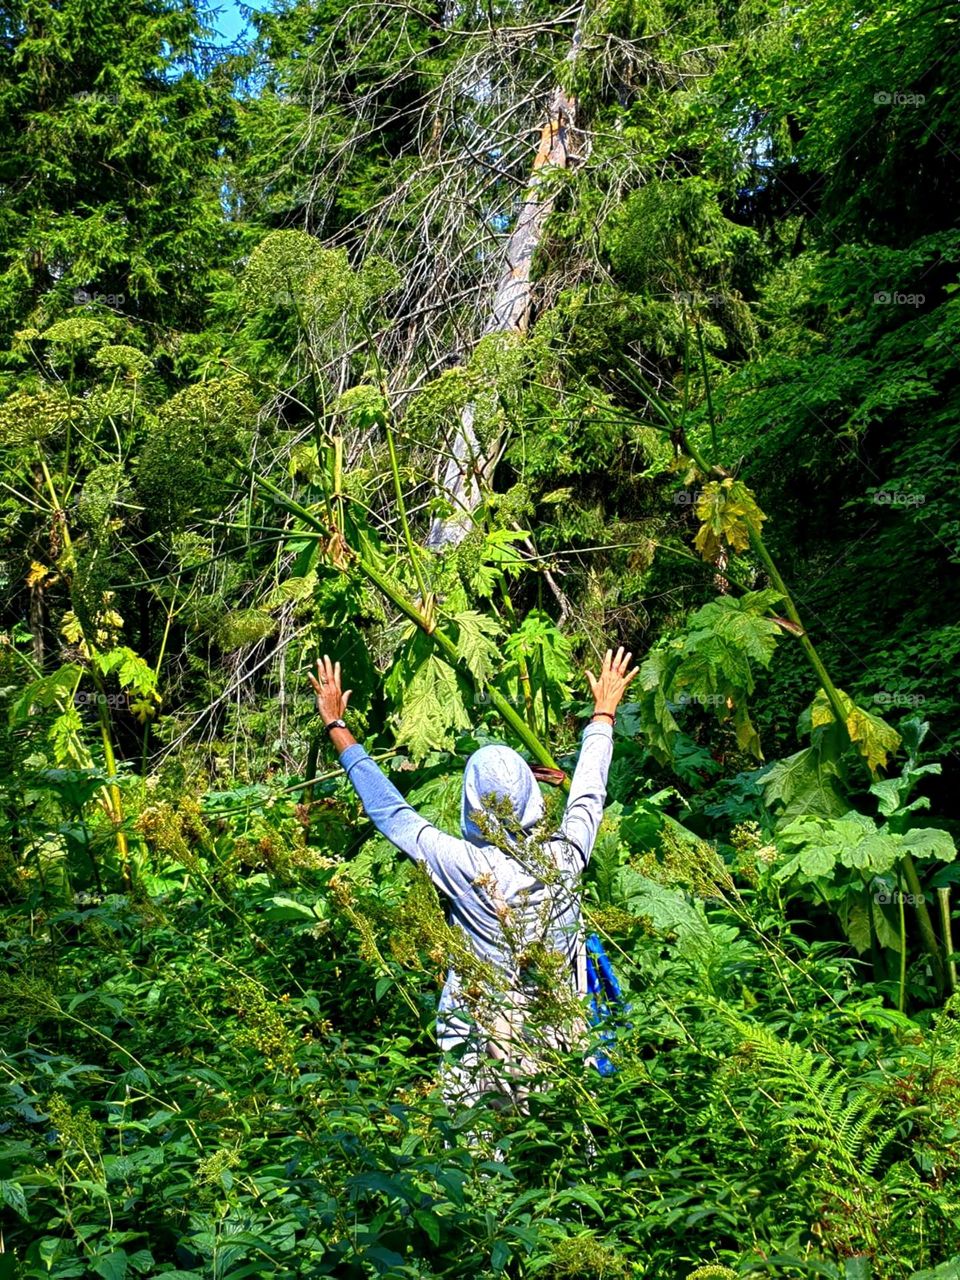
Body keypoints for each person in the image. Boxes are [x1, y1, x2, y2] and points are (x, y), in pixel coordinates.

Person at [308, 646, 638, 1108]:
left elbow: (392, 813)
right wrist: (604, 710)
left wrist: (337, 728)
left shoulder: (464, 866)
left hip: (482, 1040)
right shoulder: (566, 855)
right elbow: (589, 791)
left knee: (480, 1158)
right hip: (559, 1031)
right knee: (563, 1144)